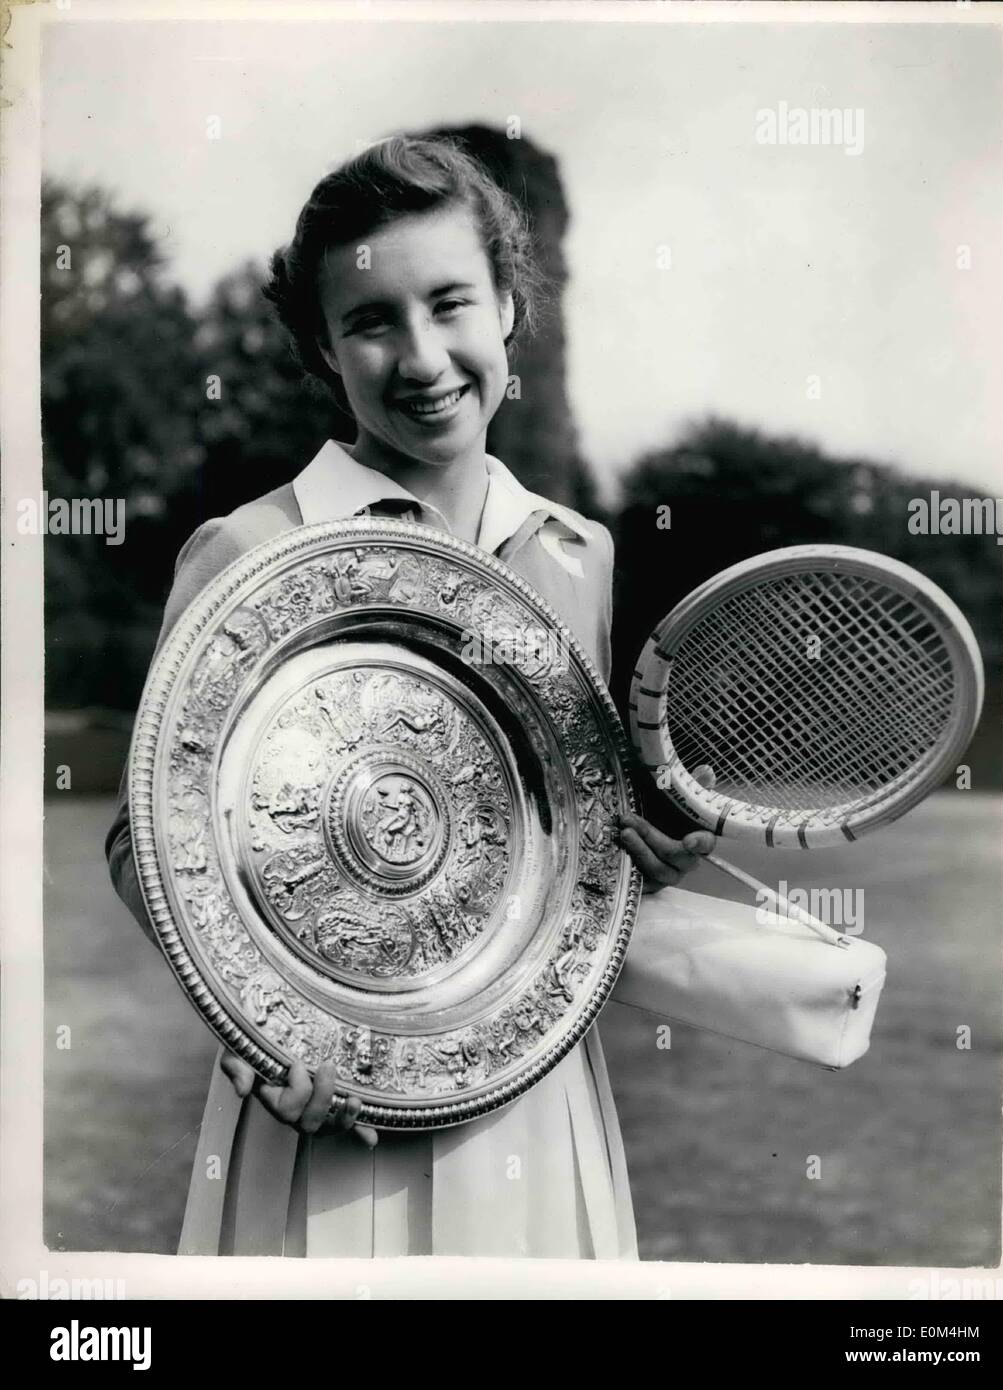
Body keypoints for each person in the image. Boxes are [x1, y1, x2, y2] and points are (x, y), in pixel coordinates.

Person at [105, 135, 716, 1259]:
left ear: (507, 312)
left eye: (450, 303)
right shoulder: (249, 546)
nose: (422, 355)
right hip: (323, 1101)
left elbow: (567, 833)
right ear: (322, 351)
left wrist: (642, 852)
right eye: (371, 321)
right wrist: (254, 1035)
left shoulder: (577, 551)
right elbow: (147, 842)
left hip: (531, 1090)